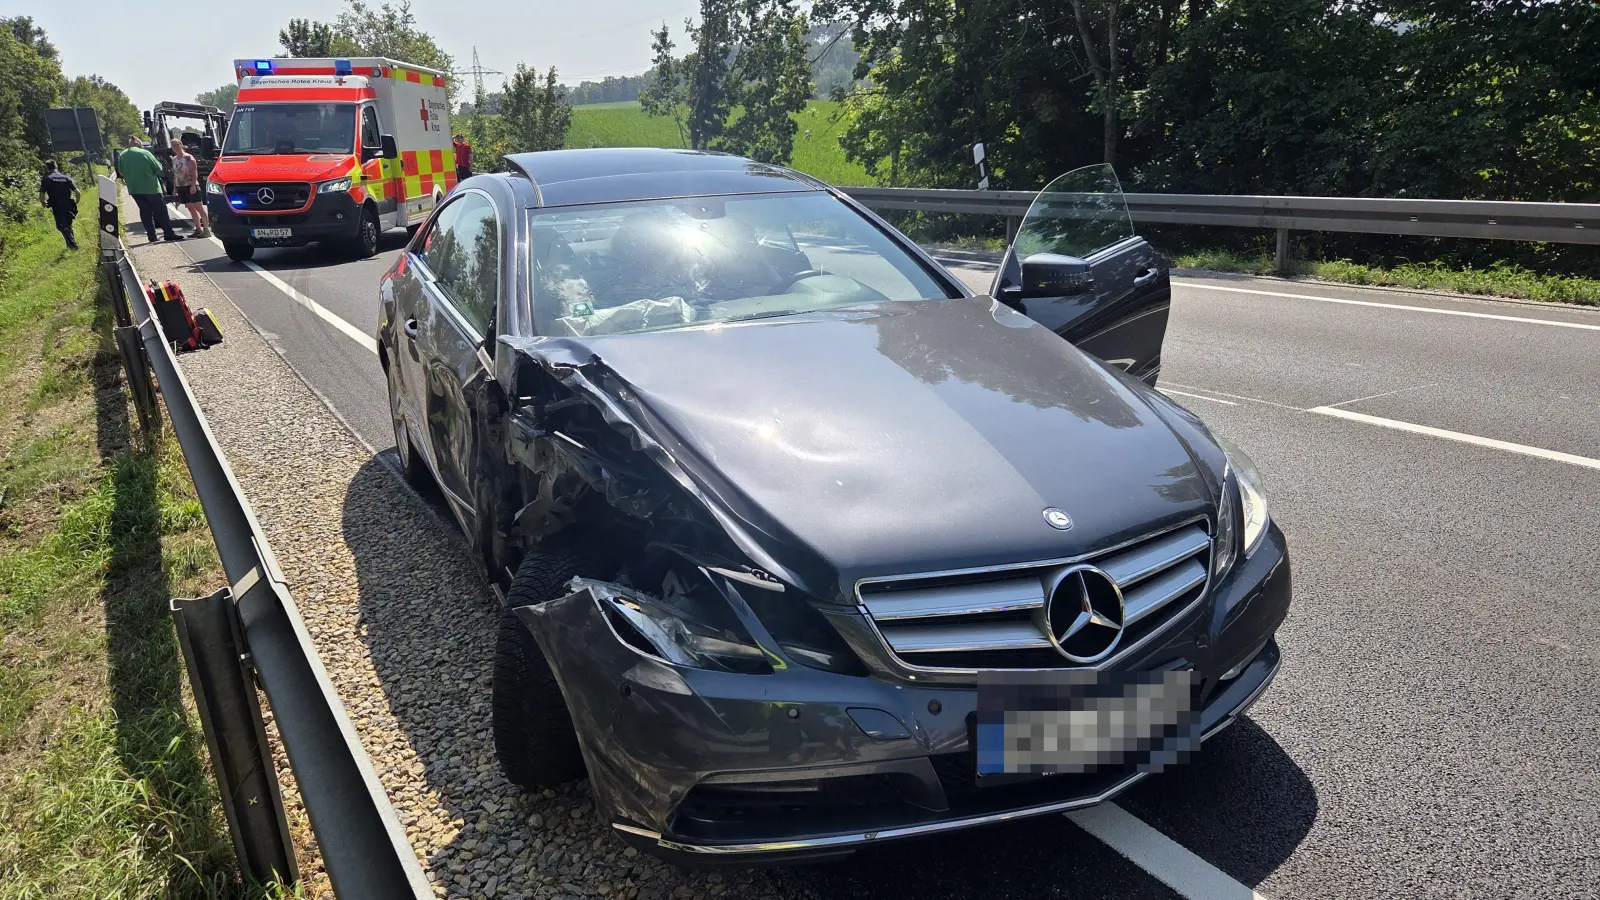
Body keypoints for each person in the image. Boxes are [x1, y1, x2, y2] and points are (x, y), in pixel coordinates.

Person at [119, 137, 184, 243]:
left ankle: (152, 236)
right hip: (151, 188)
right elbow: (158, 168)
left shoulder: (123, 155)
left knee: (145, 212)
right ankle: (168, 233)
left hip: (134, 189)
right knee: (161, 212)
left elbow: (121, 172)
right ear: (138, 144)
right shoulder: (145, 153)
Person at [170, 137, 210, 238]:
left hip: (190, 185)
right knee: (190, 208)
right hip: (181, 186)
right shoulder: (174, 160)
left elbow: (194, 171)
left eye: (177, 145)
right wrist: (175, 188)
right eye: (173, 146)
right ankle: (197, 229)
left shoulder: (188, 157)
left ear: (181, 145)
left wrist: (193, 185)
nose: (176, 147)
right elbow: (176, 174)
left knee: (199, 207)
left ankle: (206, 229)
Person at [38, 160, 80, 250]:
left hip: (57, 206)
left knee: (62, 226)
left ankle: (73, 246)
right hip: (68, 204)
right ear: (56, 166)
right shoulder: (66, 178)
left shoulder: (47, 179)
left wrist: (43, 202)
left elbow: (42, 193)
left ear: (47, 167)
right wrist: (76, 201)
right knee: (67, 225)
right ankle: (71, 244)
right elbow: (77, 192)